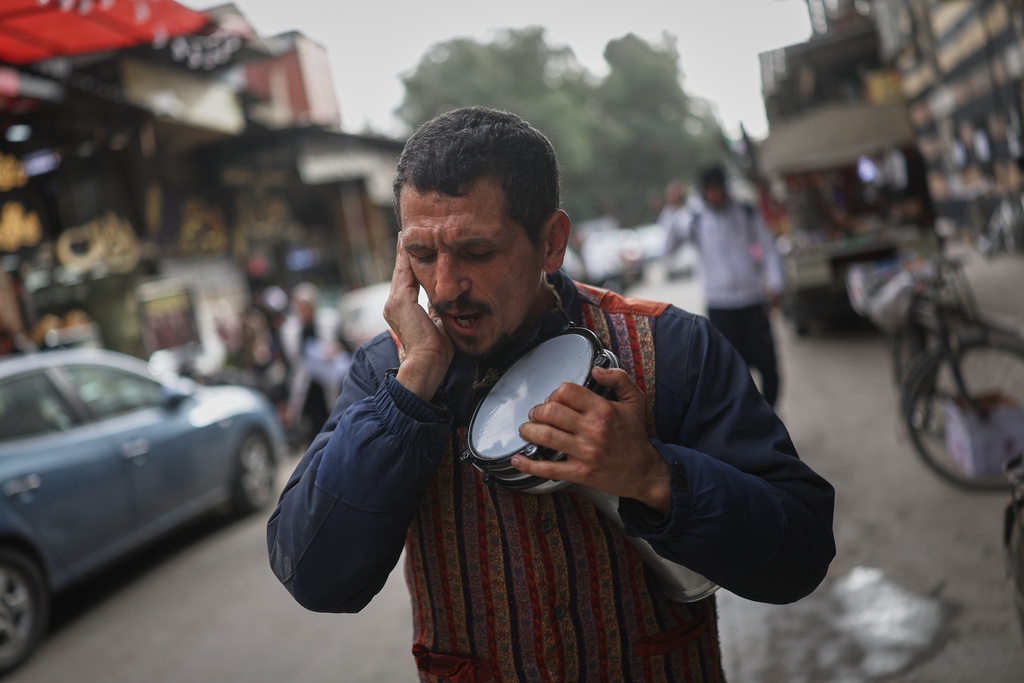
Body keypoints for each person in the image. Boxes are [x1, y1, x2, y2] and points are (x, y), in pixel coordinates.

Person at [268, 107, 835, 681]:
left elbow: (801, 556)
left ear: (552, 242)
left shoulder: (672, 346)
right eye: (421, 254)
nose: (444, 287)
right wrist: (412, 387)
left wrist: (652, 476)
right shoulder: (386, 373)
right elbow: (318, 579)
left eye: (477, 252)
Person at [665, 165, 786, 408]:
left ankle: (770, 411)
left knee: (768, 364)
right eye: (711, 191)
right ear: (704, 192)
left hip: (752, 300)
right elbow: (667, 248)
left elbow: (769, 249)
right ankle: (749, 419)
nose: (716, 196)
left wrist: (776, 284)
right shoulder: (694, 219)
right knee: (732, 370)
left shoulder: (746, 212)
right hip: (720, 306)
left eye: (719, 190)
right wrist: (673, 208)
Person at [280, 282, 351, 447]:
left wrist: (336, 350)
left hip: (330, 385)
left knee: (336, 429)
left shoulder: (329, 321)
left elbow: (347, 351)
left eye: (307, 306)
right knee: (314, 436)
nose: (304, 311)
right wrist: (287, 400)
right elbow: (290, 366)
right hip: (308, 391)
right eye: (300, 307)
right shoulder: (289, 331)